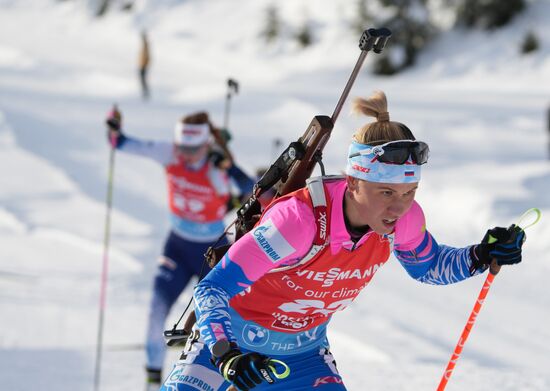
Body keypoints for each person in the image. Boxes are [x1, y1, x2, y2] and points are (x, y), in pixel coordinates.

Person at [159, 90, 526, 391]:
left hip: (302, 357)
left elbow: (428, 268)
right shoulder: (299, 221)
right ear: (353, 183)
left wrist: (481, 254)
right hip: (227, 348)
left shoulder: (403, 219)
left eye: (409, 192)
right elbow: (212, 290)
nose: (399, 207)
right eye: (386, 192)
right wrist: (226, 354)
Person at [105, 109, 255, 389]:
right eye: (183, 147)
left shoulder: (216, 163)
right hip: (177, 246)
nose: (186, 154)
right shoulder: (169, 152)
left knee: (219, 319)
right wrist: (113, 128)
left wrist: (230, 171)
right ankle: (151, 380)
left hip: (214, 249)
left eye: (194, 148)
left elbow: (254, 189)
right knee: (156, 311)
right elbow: (122, 143)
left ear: (206, 144)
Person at [139, 30, 151, 100]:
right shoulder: (144, 44)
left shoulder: (146, 45)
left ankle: (145, 93)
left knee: (143, 79)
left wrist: (146, 63)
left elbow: (147, 56)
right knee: (142, 79)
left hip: (143, 65)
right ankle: (144, 92)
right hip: (141, 64)